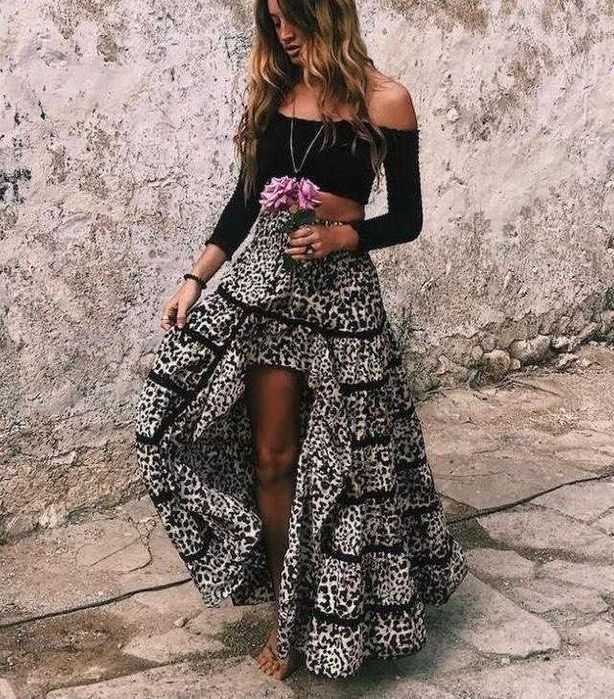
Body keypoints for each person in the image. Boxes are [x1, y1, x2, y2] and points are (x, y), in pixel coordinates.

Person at [134, 0, 468, 682]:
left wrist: (345, 235)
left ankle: (345, 606)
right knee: (271, 456)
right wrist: (195, 278)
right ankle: (287, 617)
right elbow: (244, 201)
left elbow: (407, 219)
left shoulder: (388, 101)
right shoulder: (274, 92)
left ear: (329, 13)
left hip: (342, 298)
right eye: (273, 20)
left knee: (352, 466)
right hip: (266, 290)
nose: (283, 33)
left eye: (294, 18)